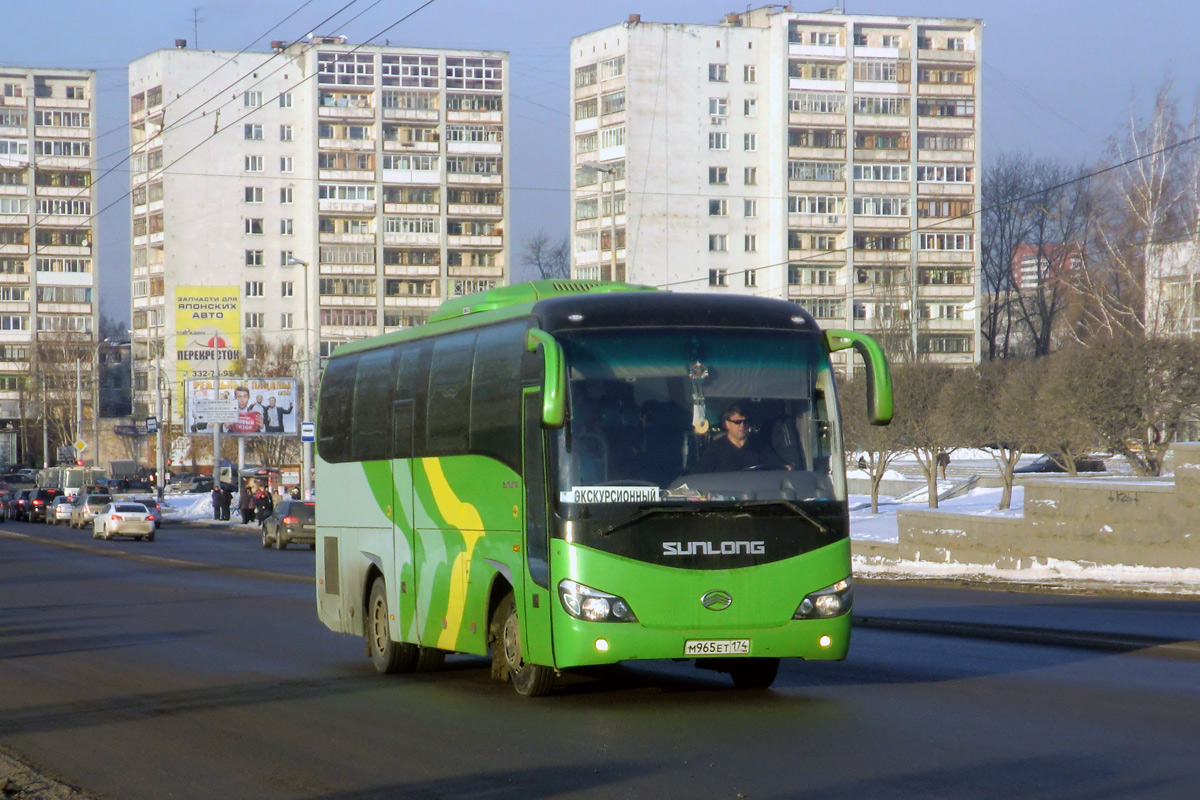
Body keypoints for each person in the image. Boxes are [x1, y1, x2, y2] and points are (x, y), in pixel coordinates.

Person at [695, 403, 787, 473]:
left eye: (745, 421)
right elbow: (700, 475)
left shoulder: (760, 446)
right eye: (737, 422)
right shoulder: (715, 449)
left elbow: (780, 467)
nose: (742, 426)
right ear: (727, 424)